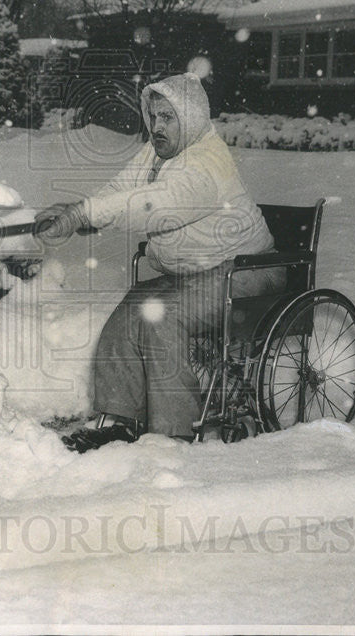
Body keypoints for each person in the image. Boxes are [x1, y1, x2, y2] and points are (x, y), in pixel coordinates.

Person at [37, 73, 281, 453]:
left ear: (192, 117)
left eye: (167, 117)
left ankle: (175, 433)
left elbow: (156, 206)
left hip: (247, 272)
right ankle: (119, 419)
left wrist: (86, 214)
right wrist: (80, 216)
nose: (157, 126)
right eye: (153, 116)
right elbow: (122, 190)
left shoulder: (205, 163)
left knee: (160, 315)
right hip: (201, 270)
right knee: (134, 305)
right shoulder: (159, 151)